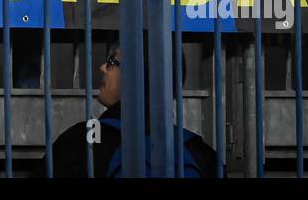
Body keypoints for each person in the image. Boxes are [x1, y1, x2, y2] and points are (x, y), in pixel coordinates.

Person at [48, 45, 218, 178]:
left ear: (136, 74)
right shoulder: (200, 152)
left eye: (112, 62)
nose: (102, 68)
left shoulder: (82, 142)